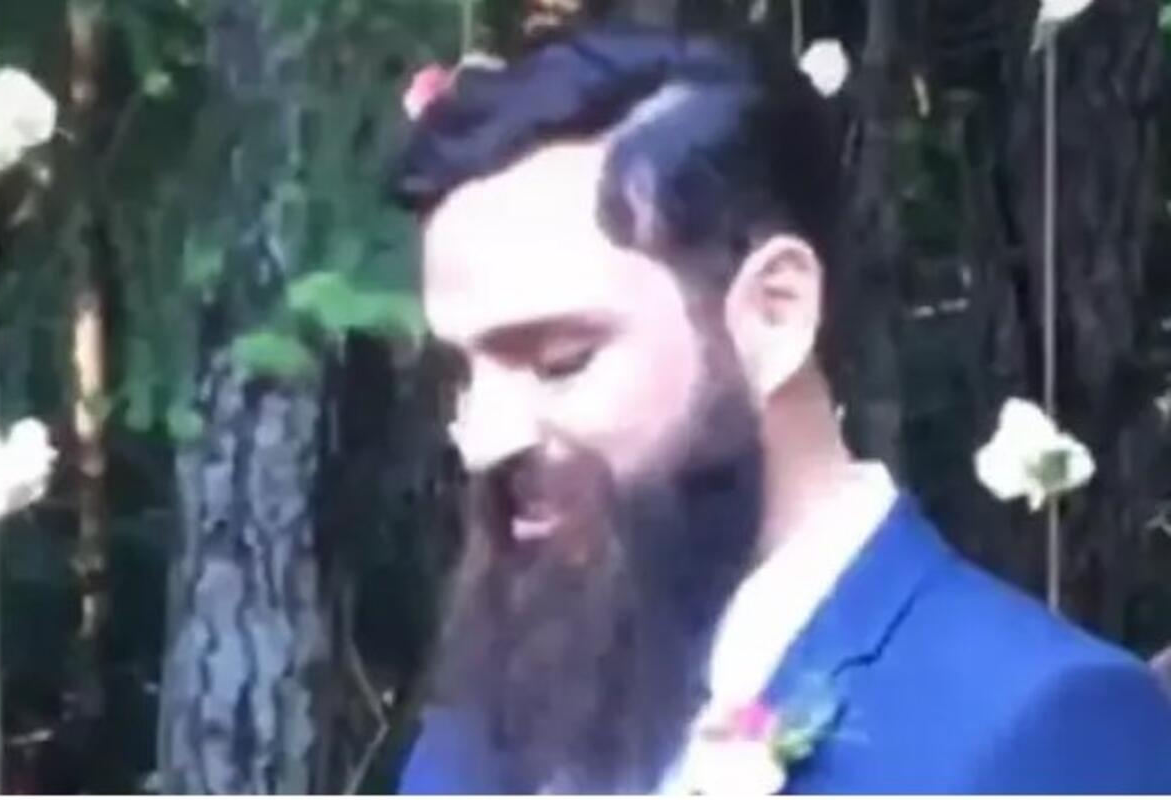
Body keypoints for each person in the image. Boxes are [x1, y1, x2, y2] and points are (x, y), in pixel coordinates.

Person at [389, 26, 1171, 794]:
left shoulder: (1040, 725)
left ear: (774, 312)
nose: (483, 440)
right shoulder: (477, 742)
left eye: (559, 361)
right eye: (464, 374)